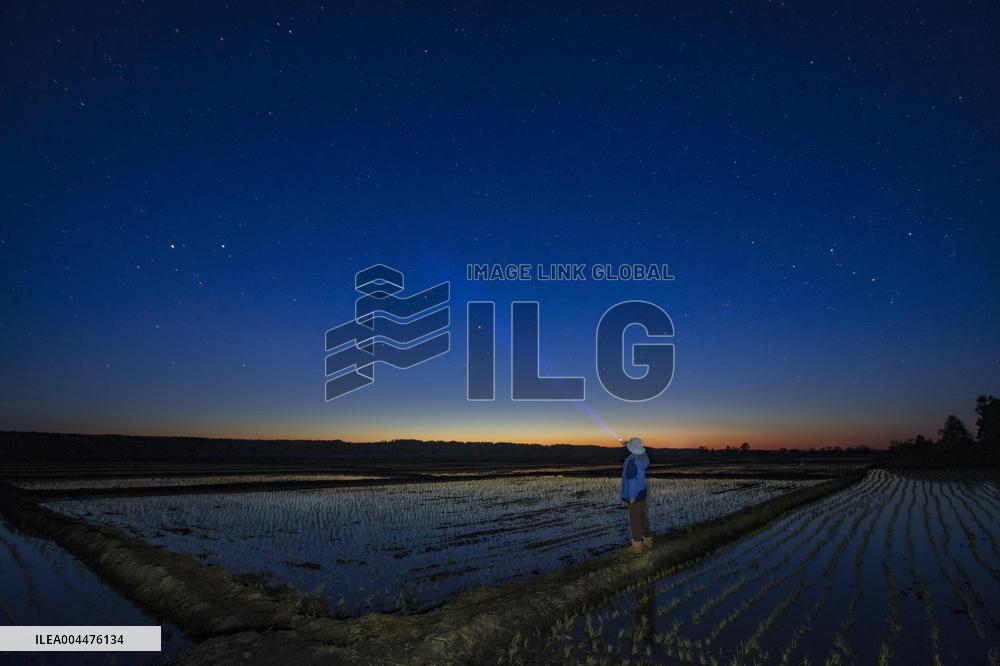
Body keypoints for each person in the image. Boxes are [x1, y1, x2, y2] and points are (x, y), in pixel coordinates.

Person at [620, 436, 652, 554]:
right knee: (643, 516)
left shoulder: (631, 461)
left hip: (634, 494)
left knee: (635, 519)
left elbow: (632, 481)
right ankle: (648, 541)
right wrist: (628, 445)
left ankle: (637, 546)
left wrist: (631, 496)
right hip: (642, 491)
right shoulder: (643, 458)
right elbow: (642, 453)